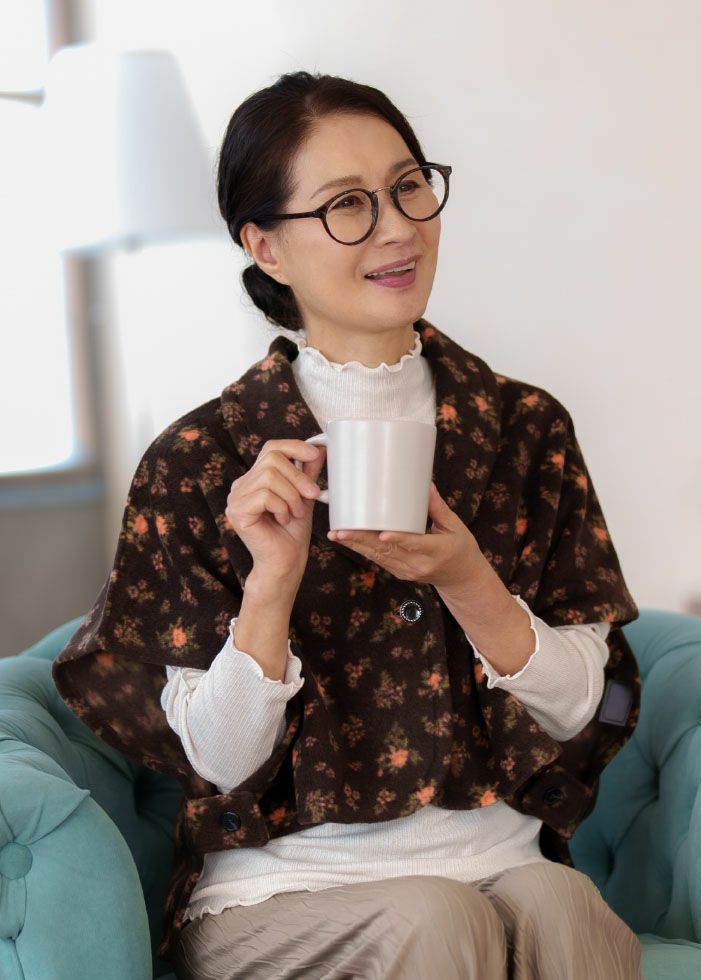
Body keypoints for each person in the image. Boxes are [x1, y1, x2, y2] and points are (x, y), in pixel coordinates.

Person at [53, 70, 644, 979]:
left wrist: (468, 581)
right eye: (346, 206)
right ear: (266, 247)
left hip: (500, 860)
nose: (398, 228)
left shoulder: (527, 431)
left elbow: (578, 710)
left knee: (567, 908)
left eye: (409, 187)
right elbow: (220, 762)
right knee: (435, 921)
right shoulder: (200, 460)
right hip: (277, 893)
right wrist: (271, 583)